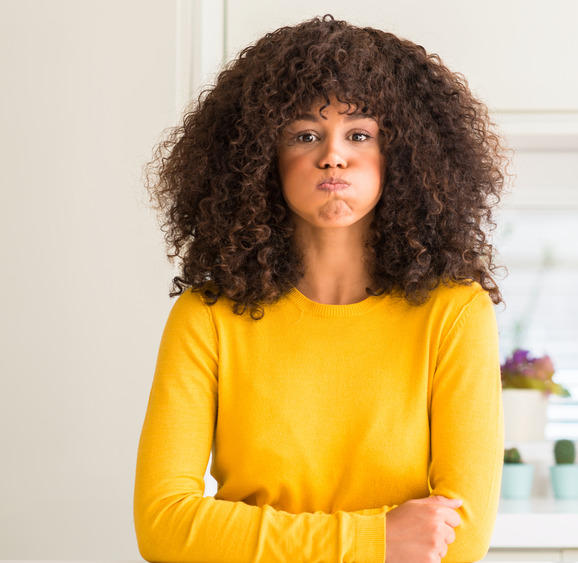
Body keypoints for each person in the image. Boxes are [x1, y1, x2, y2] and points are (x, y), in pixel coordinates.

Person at [134, 15, 506, 563]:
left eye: (360, 134)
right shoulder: (207, 316)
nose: (333, 155)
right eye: (305, 135)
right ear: (261, 158)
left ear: (398, 156)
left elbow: (461, 539)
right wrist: (374, 541)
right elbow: (162, 525)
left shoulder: (455, 313)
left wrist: (241, 534)